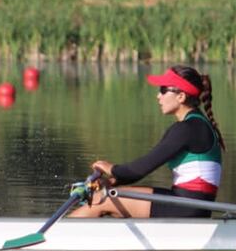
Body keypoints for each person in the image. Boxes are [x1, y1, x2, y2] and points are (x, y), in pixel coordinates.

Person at [70, 65, 226, 218]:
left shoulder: (187, 129)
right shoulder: (195, 124)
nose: (158, 96)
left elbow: (140, 169)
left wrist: (111, 168)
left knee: (100, 200)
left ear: (181, 96)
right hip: (191, 204)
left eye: (164, 90)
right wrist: (111, 181)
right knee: (106, 195)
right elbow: (138, 172)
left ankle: (58, 237)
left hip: (189, 207)